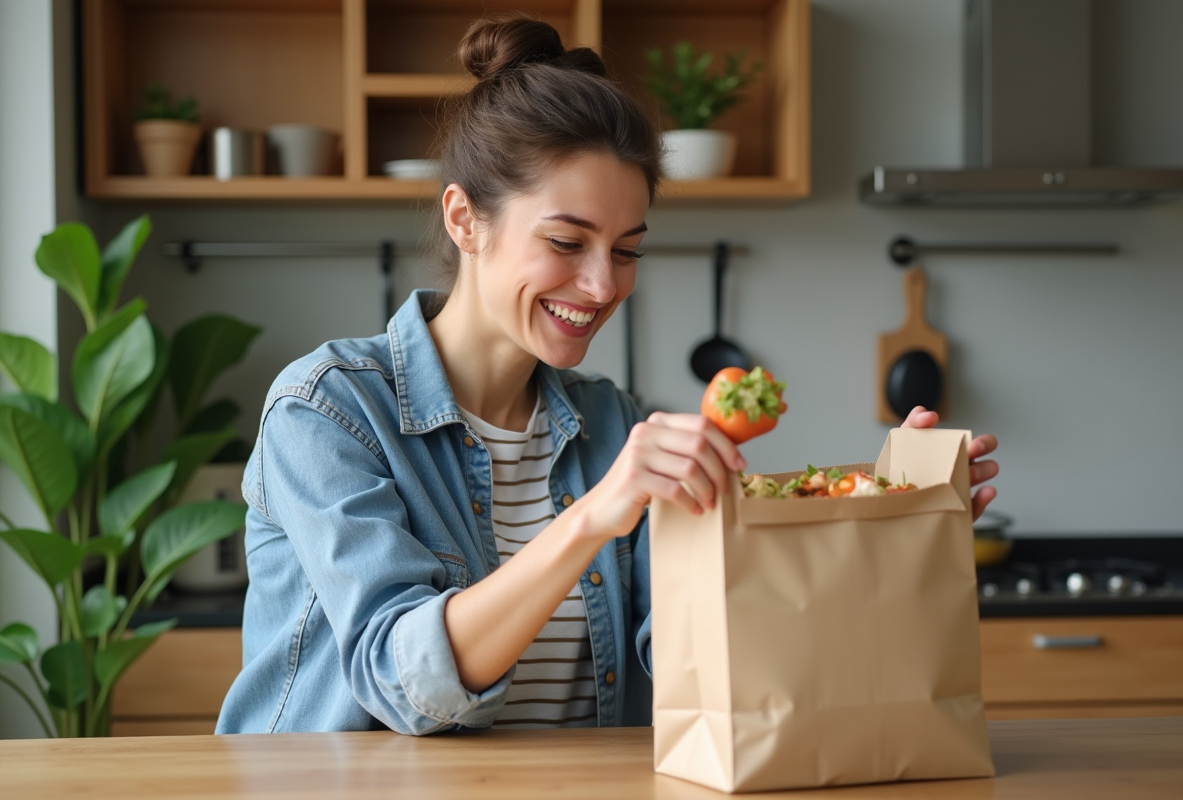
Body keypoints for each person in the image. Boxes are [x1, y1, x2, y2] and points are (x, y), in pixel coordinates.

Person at [216, 16, 999, 736]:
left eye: (626, 251)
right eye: (566, 242)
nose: (602, 286)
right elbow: (400, 680)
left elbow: (716, 658)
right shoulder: (326, 411)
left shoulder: (614, 426)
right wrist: (594, 516)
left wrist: (890, 529)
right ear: (464, 220)